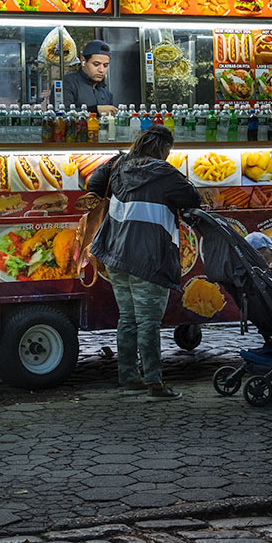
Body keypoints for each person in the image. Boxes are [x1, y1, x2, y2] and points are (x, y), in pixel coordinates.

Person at [86, 124, 201, 400]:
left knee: (128, 318)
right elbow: (192, 198)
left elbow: (94, 182)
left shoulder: (118, 165)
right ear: (163, 149)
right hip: (147, 257)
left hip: (115, 254)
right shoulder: (165, 173)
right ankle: (155, 383)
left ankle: (129, 378)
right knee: (148, 320)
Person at [62, 39, 115, 115]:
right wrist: (95, 110)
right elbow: (61, 114)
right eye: (96, 64)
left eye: (105, 65)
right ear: (83, 61)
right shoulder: (68, 84)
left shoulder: (106, 94)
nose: (101, 70)